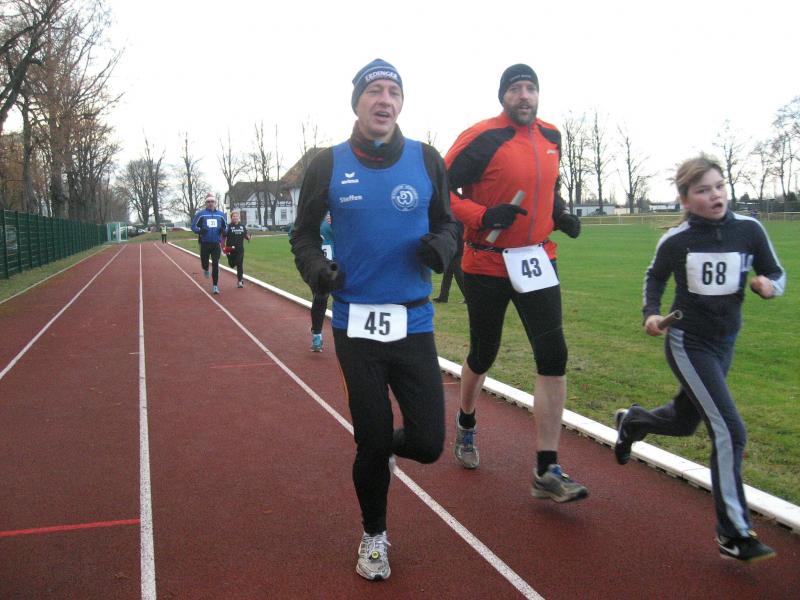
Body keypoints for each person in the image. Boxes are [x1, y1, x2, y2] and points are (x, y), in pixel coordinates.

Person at [290, 58, 458, 581]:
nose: (385, 100)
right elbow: (303, 234)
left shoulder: (427, 159)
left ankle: (383, 450)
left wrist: (442, 247)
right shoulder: (327, 164)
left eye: (394, 92)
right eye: (374, 91)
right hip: (356, 324)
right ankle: (374, 536)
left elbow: (448, 224)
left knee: (428, 443)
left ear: (401, 103)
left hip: (414, 322)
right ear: (357, 102)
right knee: (371, 435)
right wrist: (317, 270)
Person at [614, 154, 785, 563]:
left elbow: (776, 273)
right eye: (703, 190)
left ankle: (633, 421)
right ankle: (733, 533)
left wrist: (768, 286)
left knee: (683, 421)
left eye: (719, 186)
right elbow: (654, 277)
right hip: (688, 343)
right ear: (686, 199)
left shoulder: (749, 230)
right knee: (730, 430)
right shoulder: (677, 240)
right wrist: (651, 313)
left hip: (725, 342)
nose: (715, 195)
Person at [444, 63, 586, 502]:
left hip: (537, 260)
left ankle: (546, 468)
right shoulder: (481, 137)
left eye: (531, 88)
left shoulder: (552, 136)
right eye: (515, 89)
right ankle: (466, 420)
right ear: (503, 96)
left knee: (553, 354)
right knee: (484, 353)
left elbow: (548, 185)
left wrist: (560, 213)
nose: (524, 95)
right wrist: (483, 215)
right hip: (486, 263)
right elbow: (440, 190)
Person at [191, 192, 227, 294]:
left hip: (216, 243)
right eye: (208, 202)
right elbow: (193, 226)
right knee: (204, 262)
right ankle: (206, 269)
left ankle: (215, 286)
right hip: (205, 243)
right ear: (206, 203)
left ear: (215, 203)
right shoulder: (201, 214)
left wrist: (224, 231)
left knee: (215, 263)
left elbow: (226, 226)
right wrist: (200, 231)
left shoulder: (221, 215)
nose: (210, 203)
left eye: (212, 201)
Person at [309, 213, 334, 352]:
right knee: (320, 298)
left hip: (338, 262)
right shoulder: (310, 214)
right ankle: (317, 334)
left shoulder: (338, 211)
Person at [432, 219, 465, 303]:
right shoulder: (454, 222)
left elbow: (458, 236)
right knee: (447, 275)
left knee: (459, 276)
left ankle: (468, 297)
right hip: (452, 251)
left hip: (456, 251)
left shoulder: (457, 222)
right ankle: (443, 297)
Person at [223, 210, 251, 288]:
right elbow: (224, 236)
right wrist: (223, 247)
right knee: (232, 265)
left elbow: (246, 236)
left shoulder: (242, 226)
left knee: (239, 264)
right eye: (233, 216)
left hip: (240, 249)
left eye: (236, 216)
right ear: (231, 217)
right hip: (229, 249)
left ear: (239, 217)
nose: (235, 218)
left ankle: (240, 281)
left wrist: (248, 237)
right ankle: (239, 279)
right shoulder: (228, 226)